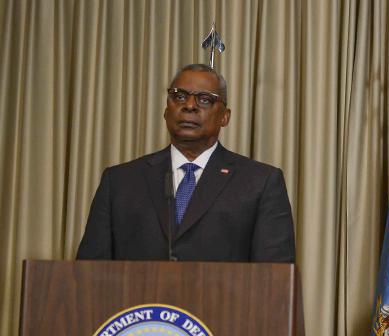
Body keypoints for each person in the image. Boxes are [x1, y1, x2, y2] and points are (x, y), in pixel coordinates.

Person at [76, 63, 296, 262]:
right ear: (166, 110)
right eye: (179, 96)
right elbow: (88, 273)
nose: (189, 105)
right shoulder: (120, 182)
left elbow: (274, 279)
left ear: (225, 117)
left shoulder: (260, 183)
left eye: (204, 99)